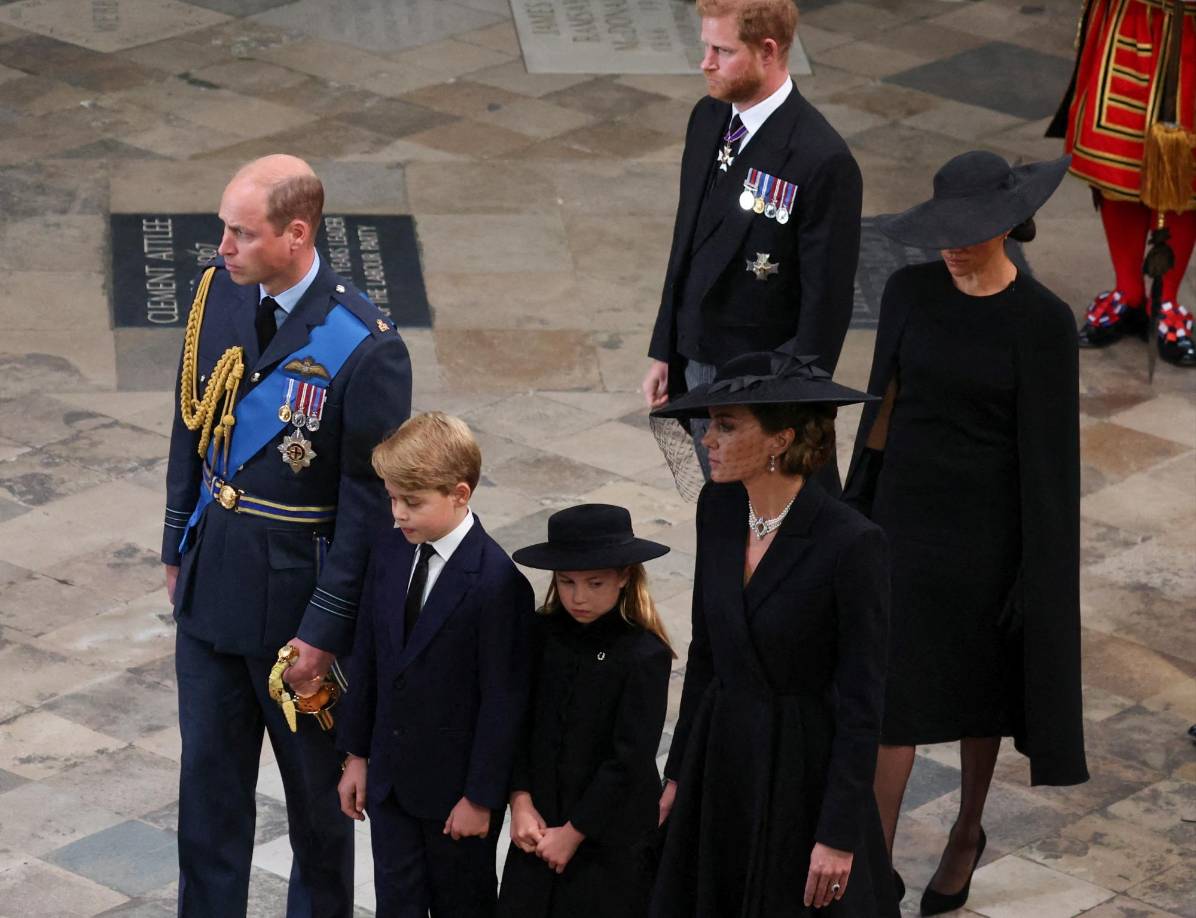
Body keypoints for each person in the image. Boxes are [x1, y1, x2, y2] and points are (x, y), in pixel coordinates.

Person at [161, 154, 412, 916]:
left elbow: (368, 508)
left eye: (241, 233)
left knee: (316, 812)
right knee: (207, 798)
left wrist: (327, 630)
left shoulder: (365, 345)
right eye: (223, 231)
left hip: (297, 614)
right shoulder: (219, 298)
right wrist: (176, 545)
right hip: (212, 592)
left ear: (296, 234)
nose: (222, 249)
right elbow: (189, 424)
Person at [844, 151, 1090, 915]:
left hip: (986, 540)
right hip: (903, 525)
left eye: (970, 231)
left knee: (979, 698)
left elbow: (1048, 461)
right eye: (942, 230)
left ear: (1009, 226)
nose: (951, 245)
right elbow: (882, 410)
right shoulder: (909, 289)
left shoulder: (1043, 323)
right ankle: (872, 873)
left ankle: (966, 832)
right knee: (894, 702)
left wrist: (1032, 571)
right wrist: (858, 518)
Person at [649, 346, 898, 918]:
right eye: (710, 424)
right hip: (723, 754)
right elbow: (706, 656)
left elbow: (863, 703)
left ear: (781, 439)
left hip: (801, 769)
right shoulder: (717, 509)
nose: (707, 439)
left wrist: (837, 833)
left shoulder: (851, 544)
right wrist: (678, 773)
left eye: (727, 426)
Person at [640, 0, 862, 485]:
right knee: (720, 503)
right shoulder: (707, 119)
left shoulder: (820, 159)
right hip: (696, 359)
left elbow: (826, 303)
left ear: (767, 51)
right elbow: (685, 243)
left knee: (773, 515)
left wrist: (794, 407)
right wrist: (664, 348)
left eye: (722, 50)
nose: (706, 62)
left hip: (760, 384)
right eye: (706, 47)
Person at [336, 412, 534, 918]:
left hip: (455, 799)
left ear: (460, 495)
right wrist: (356, 755)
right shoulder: (389, 552)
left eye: (412, 502)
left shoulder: (497, 583)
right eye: (393, 499)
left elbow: (503, 701)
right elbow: (370, 658)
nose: (398, 513)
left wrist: (481, 797)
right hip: (391, 787)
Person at [497, 504, 675, 918]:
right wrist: (520, 801)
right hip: (537, 829)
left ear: (624, 576)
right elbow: (518, 723)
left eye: (595, 583)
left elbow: (628, 760)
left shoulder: (644, 655)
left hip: (607, 843)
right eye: (567, 582)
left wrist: (574, 833)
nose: (579, 597)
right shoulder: (541, 635)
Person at [1049, 0, 1195, 367]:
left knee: (1186, 171)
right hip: (1129, 22)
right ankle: (1127, 290)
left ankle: (1167, 300)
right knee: (1115, 160)